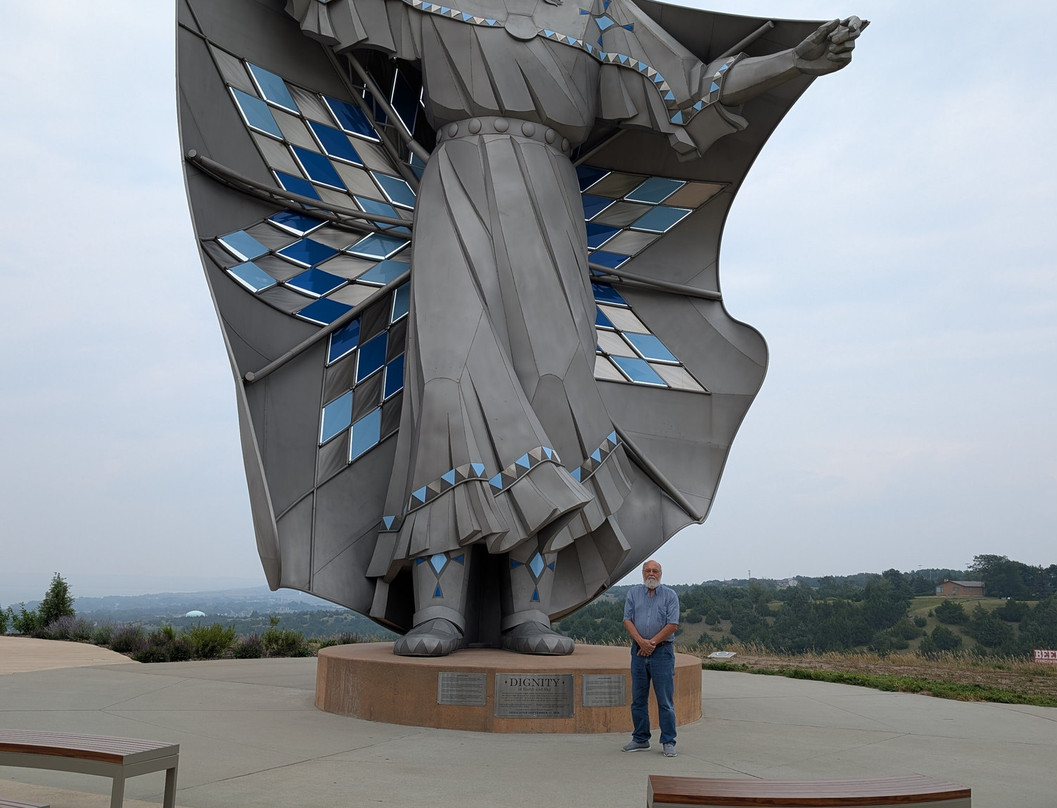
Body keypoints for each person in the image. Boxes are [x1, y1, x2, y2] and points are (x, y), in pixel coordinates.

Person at [286, 0, 865, 656]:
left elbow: (690, 91)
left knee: (551, 391)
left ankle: (529, 613)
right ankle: (438, 611)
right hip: (457, 188)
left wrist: (793, 61)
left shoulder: (597, 14)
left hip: (550, 200)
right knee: (446, 386)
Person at [622, 559, 680, 756]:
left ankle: (668, 742)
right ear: (642, 573)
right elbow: (627, 620)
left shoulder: (670, 595)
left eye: (655, 571)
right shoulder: (633, 593)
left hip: (662, 653)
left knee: (664, 700)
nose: (651, 574)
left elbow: (672, 624)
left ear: (661, 574)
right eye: (648, 570)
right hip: (638, 653)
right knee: (638, 699)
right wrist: (641, 643)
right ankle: (640, 738)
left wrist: (651, 644)